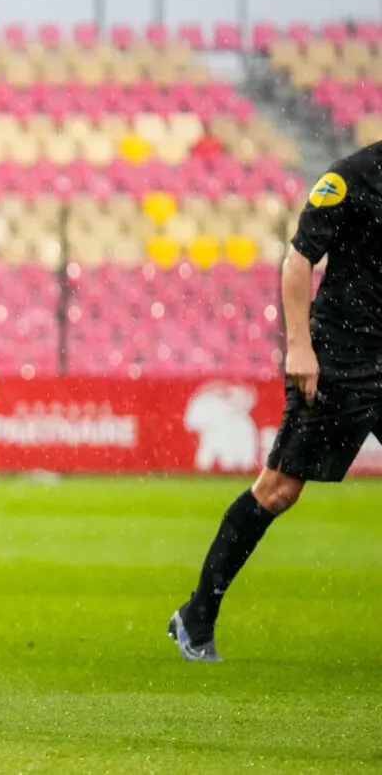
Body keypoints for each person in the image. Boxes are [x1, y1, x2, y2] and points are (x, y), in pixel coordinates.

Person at [168, 146, 382, 661]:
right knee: (280, 489)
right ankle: (196, 616)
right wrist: (301, 347)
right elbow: (299, 259)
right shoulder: (350, 177)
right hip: (341, 358)